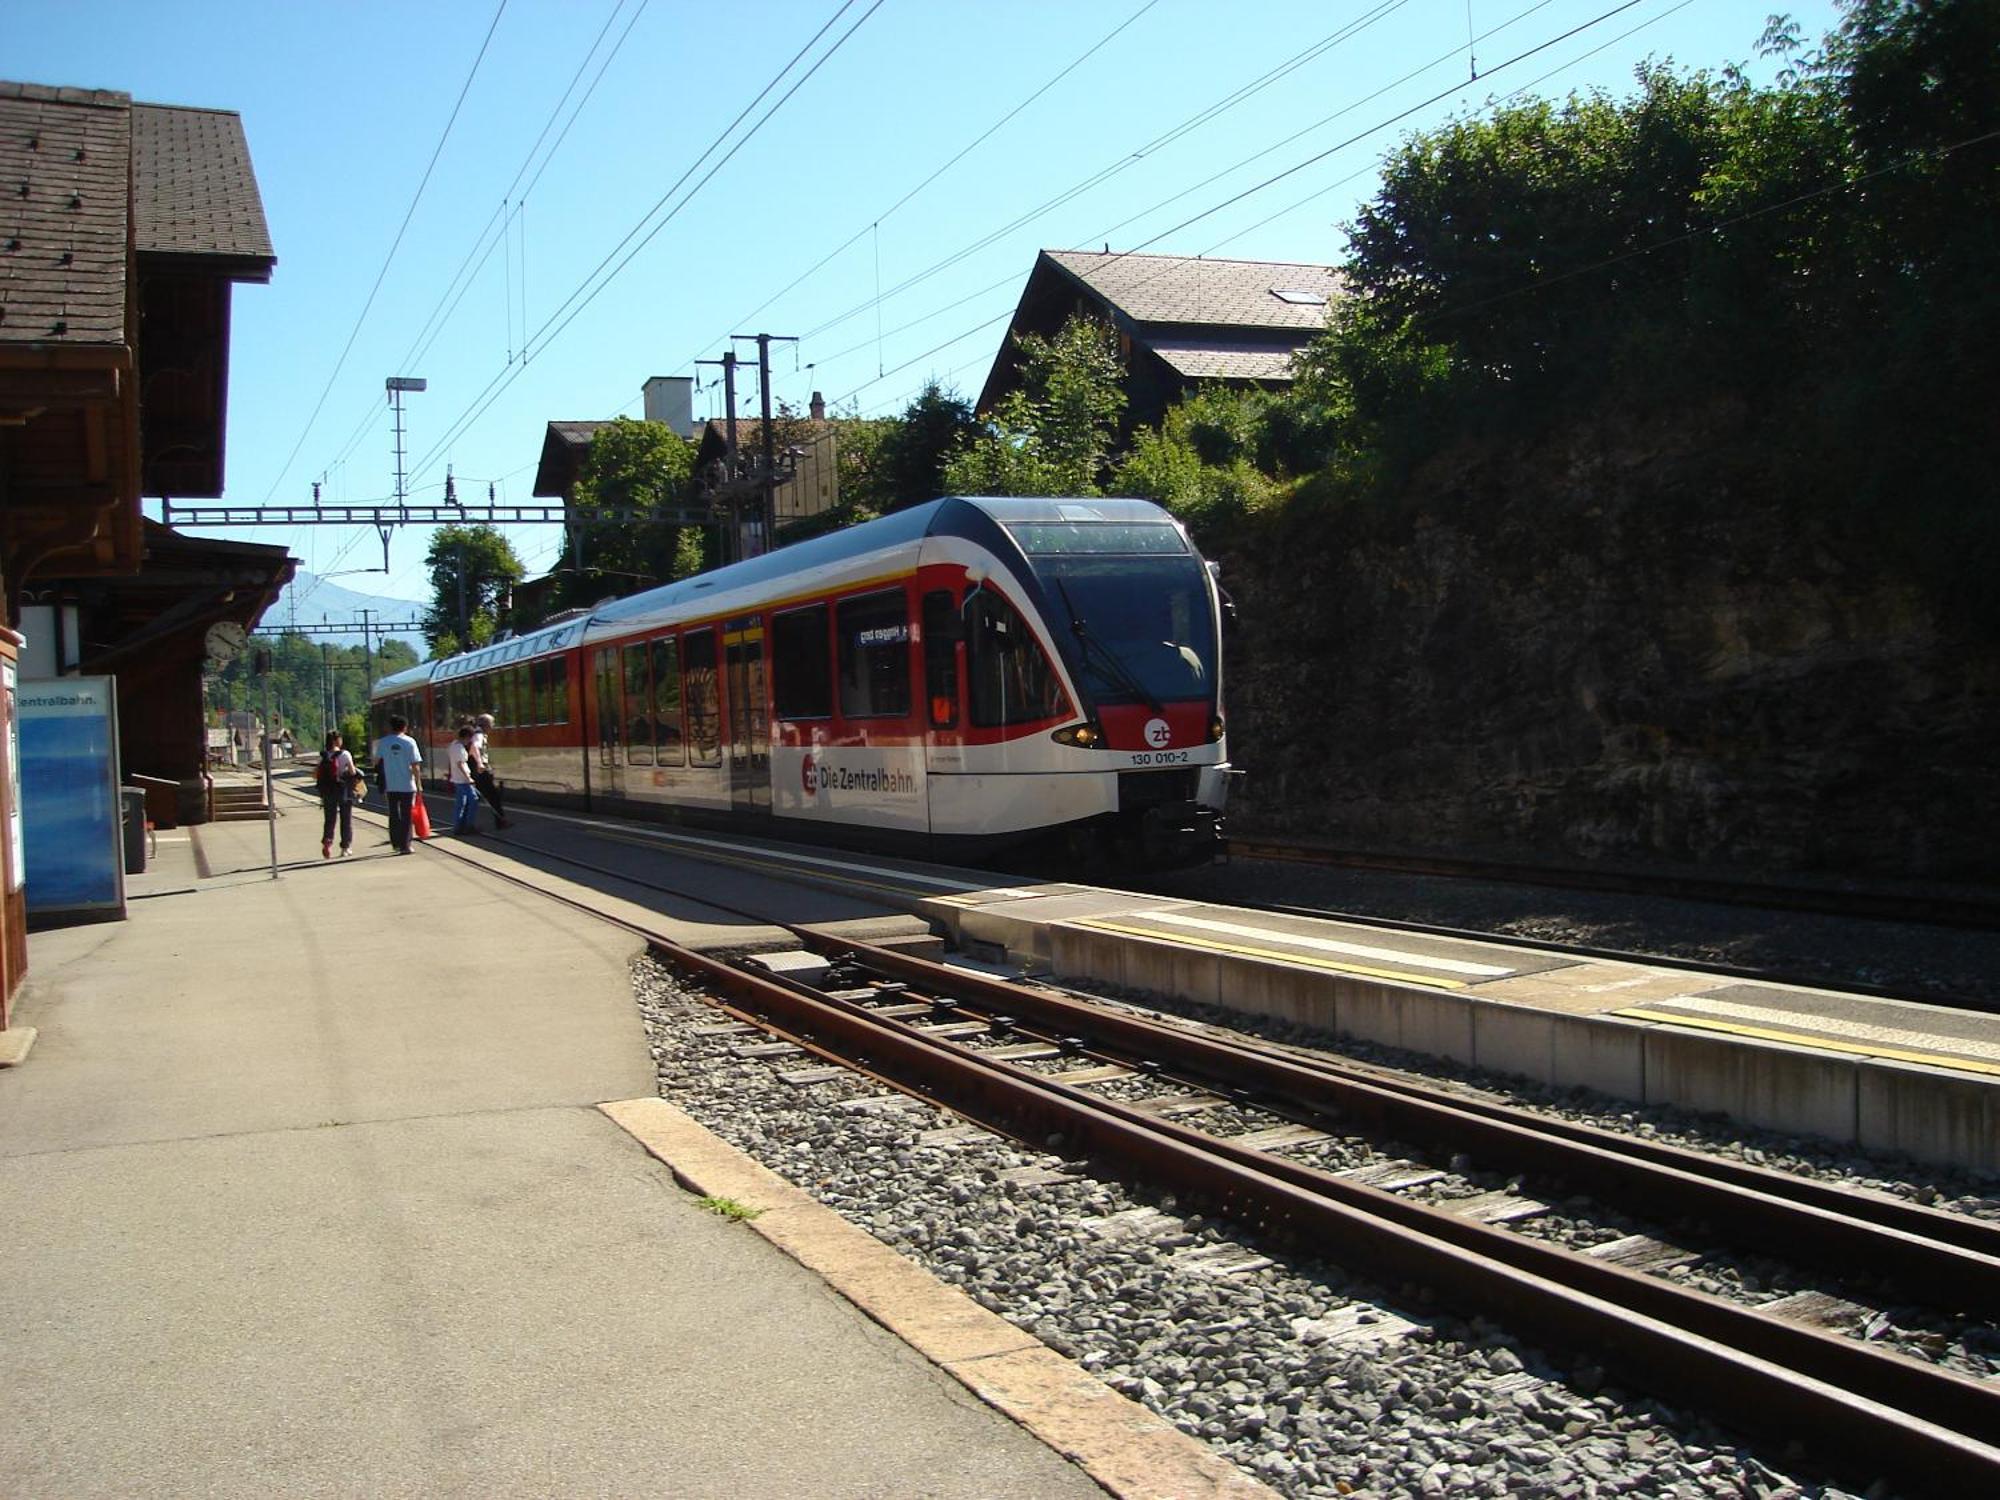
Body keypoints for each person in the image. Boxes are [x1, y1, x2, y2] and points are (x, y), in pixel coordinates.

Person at [373, 715, 424, 854]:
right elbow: (415, 765)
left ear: (390, 727)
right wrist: (419, 784)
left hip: (391, 785)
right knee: (407, 815)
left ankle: (395, 842)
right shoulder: (410, 742)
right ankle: (406, 845)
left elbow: (375, 761)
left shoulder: (383, 742)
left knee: (394, 814)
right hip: (407, 785)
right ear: (405, 727)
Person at [314, 730, 357, 859]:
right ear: (336, 740)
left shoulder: (324, 755)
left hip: (328, 791)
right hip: (343, 789)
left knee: (330, 819)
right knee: (346, 819)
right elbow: (352, 771)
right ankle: (345, 847)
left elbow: (315, 773)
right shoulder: (345, 754)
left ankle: (327, 841)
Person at [472, 712, 509, 829]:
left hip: (479, 770)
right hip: (481, 771)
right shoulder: (479, 735)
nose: (493, 727)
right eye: (492, 724)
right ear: (486, 725)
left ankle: (500, 821)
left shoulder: (478, 733)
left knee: (480, 797)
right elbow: (474, 747)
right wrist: (480, 763)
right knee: (493, 796)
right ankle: (500, 822)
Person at [446, 724, 482, 835]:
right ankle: (468, 825)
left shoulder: (453, 745)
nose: (470, 741)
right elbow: (461, 764)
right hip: (463, 780)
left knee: (461, 803)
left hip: (457, 778)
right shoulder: (459, 748)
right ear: (466, 736)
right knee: (474, 799)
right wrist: (468, 778)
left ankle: (458, 827)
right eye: (470, 738)